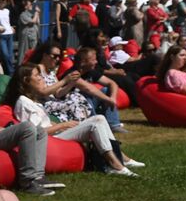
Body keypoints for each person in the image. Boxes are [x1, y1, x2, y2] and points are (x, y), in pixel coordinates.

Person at [10, 65, 139, 177]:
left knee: (99, 118)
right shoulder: (23, 102)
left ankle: (120, 158)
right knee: (95, 123)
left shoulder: (33, 101)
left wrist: (59, 125)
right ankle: (115, 165)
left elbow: (42, 124)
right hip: (51, 139)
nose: (42, 78)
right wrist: (63, 125)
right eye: (37, 75)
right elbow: (34, 132)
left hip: (56, 134)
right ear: (26, 80)